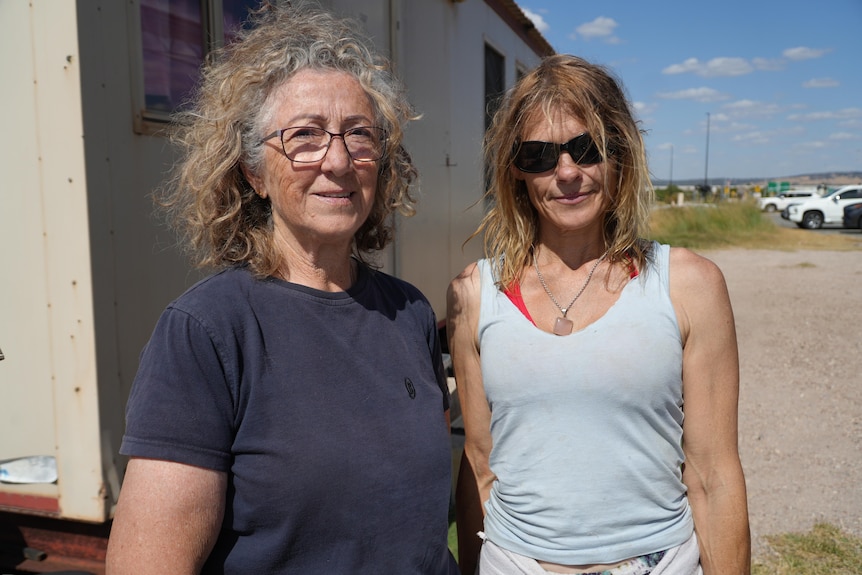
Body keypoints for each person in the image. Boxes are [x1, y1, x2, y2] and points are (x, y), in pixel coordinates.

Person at [106, 2, 456, 573]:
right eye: (305, 136)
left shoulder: (410, 311)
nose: (338, 160)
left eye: (359, 136)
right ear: (253, 172)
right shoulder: (209, 330)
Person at [446, 54, 750, 575]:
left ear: (621, 155)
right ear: (516, 170)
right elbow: (478, 462)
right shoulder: (474, 294)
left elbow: (713, 474)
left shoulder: (690, 285)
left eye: (587, 149)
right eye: (540, 156)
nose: (567, 173)